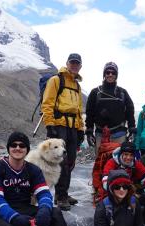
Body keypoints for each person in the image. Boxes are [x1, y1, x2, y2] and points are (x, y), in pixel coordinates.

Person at [41, 53, 85, 211]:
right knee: (62, 162)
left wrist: (81, 129)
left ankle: (64, 193)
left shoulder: (77, 86)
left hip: (73, 127)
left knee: (71, 161)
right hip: (59, 126)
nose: (74, 65)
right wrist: (50, 125)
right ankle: (60, 197)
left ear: (80, 66)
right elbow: (47, 104)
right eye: (72, 62)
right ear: (67, 63)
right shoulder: (56, 80)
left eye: (77, 63)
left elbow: (79, 110)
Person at [85, 62, 135, 153]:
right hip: (100, 133)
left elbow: (130, 112)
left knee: (119, 163)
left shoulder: (123, 93)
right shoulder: (95, 92)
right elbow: (90, 113)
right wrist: (89, 131)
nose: (110, 74)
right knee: (100, 163)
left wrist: (132, 129)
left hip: (119, 133)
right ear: (104, 74)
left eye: (113, 73)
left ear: (116, 75)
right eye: (107, 72)